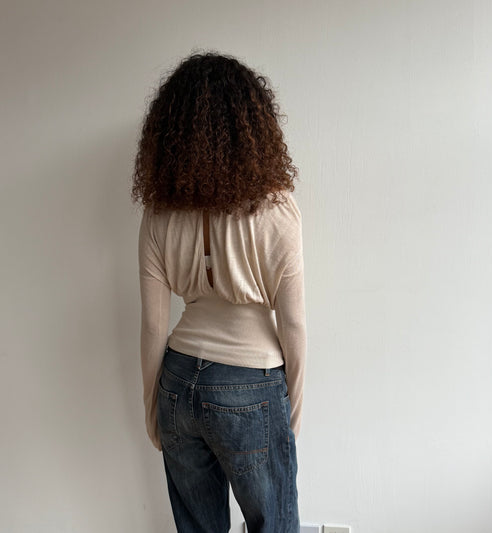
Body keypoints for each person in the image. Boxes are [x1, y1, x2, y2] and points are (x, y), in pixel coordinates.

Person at [131, 50, 307, 533]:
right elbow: (293, 323)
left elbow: (153, 325)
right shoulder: (277, 209)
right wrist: (290, 411)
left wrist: (152, 407)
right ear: (253, 125)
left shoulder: (158, 214)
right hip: (253, 384)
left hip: (177, 382)